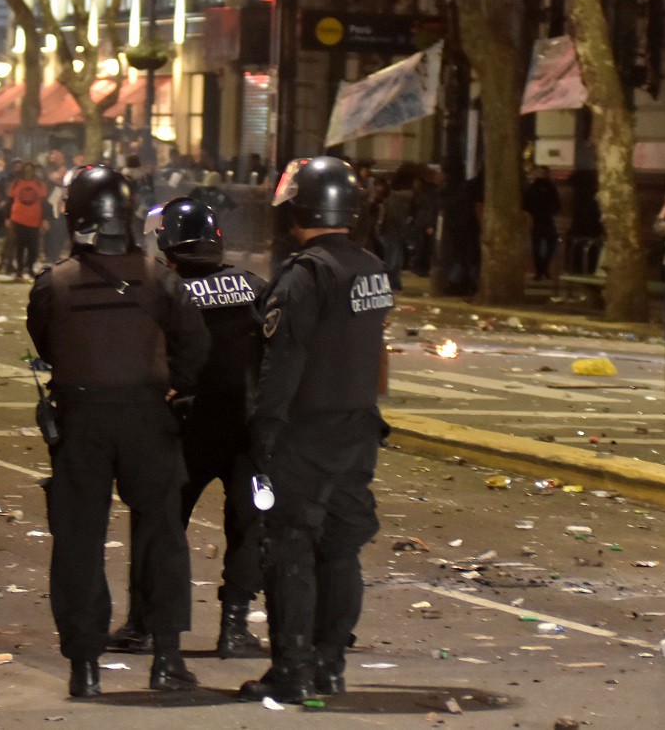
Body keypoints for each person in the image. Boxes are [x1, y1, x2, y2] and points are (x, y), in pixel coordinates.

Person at [26, 165, 210, 698]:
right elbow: (195, 345)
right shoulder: (161, 278)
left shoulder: (54, 282)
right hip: (148, 416)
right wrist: (174, 385)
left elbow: (45, 341)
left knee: (78, 542)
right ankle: (166, 658)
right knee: (162, 536)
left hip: (81, 418)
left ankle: (85, 667)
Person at [238, 156, 392, 703]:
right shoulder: (373, 268)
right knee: (341, 548)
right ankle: (330, 666)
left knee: (289, 547)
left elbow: (284, 362)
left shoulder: (306, 275)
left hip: (306, 431)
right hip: (358, 427)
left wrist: (263, 429)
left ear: (299, 208)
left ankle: (291, 671)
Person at [112, 197, 268, 658]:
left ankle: (146, 625)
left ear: (169, 246)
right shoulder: (253, 286)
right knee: (248, 528)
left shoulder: (158, 291)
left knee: (159, 526)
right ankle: (235, 628)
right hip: (245, 428)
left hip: (182, 429)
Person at [7, 163, 48, 281]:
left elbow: (44, 203)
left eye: (30, 170)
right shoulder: (16, 183)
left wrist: (45, 219)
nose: (28, 172)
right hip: (18, 218)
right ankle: (19, 269)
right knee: (19, 246)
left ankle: (30, 267)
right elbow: (10, 201)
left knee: (33, 247)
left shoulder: (39, 184)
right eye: (26, 170)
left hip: (35, 220)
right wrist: (7, 217)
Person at [376, 169, 413, 290]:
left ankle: (392, 282)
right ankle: (393, 282)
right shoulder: (398, 199)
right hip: (393, 232)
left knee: (393, 258)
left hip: (389, 231)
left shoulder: (390, 199)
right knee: (394, 259)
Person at [523, 166, 561, 281]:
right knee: (549, 244)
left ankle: (540, 270)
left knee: (538, 246)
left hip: (538, 219)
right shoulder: (549, 187)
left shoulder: (533, 187)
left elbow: (526, 205)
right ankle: (543, 269)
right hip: (545, 219)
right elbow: (557, 205)